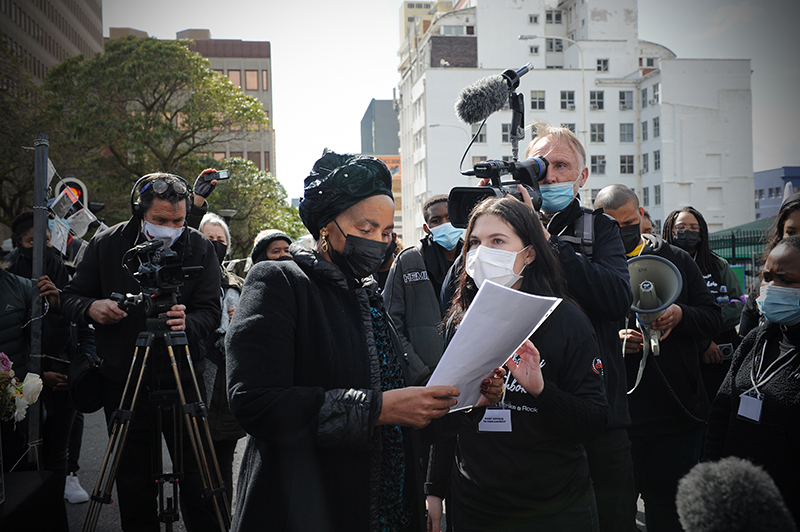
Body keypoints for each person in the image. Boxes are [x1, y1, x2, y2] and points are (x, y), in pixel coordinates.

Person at [225, 150, 503, 532]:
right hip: (308, 508)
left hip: (390, 512)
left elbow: (403, 417)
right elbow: (254, 402)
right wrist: (376, 409)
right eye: (366, 229)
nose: (379, 242)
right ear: (326, 226)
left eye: (386, 233)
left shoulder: (369, 295)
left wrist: (470, 401)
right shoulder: (279, 281)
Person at [426, 196, 608, 532]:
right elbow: (443, 411)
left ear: (529, 253)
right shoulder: (459, 321)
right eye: (476, 243)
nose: (483, 253)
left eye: (498, 241)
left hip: (555, 509)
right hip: (475, 507)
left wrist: (541, 390)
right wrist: (433, 490)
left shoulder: (567, 320)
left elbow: (595, 421)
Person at [61, 173, 222, 532]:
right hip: (124, 379)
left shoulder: (199, 245)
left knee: (199, 479)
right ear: (140, 212)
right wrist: (92, 308)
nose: (171, 228)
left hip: (183, 377)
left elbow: (211, 311)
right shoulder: (107, 244)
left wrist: (188, 322)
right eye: (161, 221)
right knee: (132, 480)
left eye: (178, 221)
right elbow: (69, 296)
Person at [523, 121, 636, 532]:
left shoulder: (599, 229)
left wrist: (541, 238)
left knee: (612, 519)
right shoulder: (508, 229)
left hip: (599, 409)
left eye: (561, 166)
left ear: (582, 176)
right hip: (533, 407)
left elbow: (616, 298)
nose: (549, 176)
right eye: (539, 166)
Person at [595, 184, 723, 532]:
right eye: (610, 226)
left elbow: (712, 316)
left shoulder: (676, 259)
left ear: (639, 217)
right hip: (620, 422)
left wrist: (681, 315)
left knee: (670, 515)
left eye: (628, 223)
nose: (621, 232)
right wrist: (613, 340)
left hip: (676, 418)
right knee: (618, 516)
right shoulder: (592, 265)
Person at [704, 235, 800, 523]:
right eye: (767, 277)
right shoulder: (756, 339)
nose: (771, 288)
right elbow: (720, 415)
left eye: (785, 280)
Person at [662, 207, 744, 402]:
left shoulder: (718, 265)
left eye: (693, 227)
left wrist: (708, 323)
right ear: (669, 231)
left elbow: (738, 304)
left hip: (722, 349)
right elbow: (666, 313)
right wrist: (703, 343)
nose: (687, 231)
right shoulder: (662, 266)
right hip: (682, 351)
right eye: (681, 227)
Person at [384, 194, 464, 384]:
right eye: (437, 220)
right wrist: (420, 373)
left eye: (450, 218)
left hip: (466, 373)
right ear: (427, 228)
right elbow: (391, 322)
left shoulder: (473, 259)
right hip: (424, 377)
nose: (445, 224)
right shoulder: (409, 260)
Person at [198, 212, 246, 506]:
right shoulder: (187, 281)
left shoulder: (240, 285)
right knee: (196, 471)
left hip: (226, 391)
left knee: (223, 468)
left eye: (220, 240)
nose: (215, 245)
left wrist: (242, 323)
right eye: (208, 239)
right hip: (196, 382)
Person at [739, 192, 800, 338]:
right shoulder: (761, 288)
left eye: (787, 281)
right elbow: (744, 343)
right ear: (780, 234)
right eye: (791, 232)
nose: (797, 239)